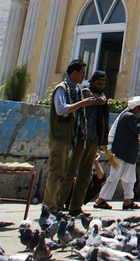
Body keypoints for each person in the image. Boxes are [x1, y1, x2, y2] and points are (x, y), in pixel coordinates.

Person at [45, 59, 106, 212]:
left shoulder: (77, 91)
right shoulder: (78, 91)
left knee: (84, 175)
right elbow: (61, 109)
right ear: (74, 73)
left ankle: (75, 206)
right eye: (82, 74)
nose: (83, 77)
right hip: (72, 138)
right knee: (63, 173)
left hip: (86, 138)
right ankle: (54, 206)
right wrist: (86, 103)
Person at [67, 69, 110, 215]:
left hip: (93, 139)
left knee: (85, 175)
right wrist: (102, 100)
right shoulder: (85, 92)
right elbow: (94, 101)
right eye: (99, 83)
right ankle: (59, 205)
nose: (101, 86)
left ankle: (75, 207)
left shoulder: (102, 96)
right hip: (82, 138)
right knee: (70, 173)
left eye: (104, 84)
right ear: (92, 82)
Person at [94, 96, 140, 210]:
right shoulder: (129, 117)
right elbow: (137, 129)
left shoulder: (128, 116)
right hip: (122, 153)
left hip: (127, 153)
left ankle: (128, 200)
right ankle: (101, 199)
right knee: (114, 176)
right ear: (136, 108)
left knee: (129, 178)